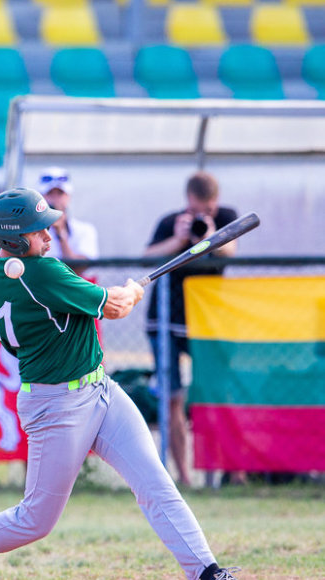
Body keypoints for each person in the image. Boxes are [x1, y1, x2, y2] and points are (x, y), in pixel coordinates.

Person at [0, 188, 238, 580]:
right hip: (56, 404)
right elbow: (115, 307)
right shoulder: (41, 272)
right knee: (35, 519)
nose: (49, 236)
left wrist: (121, 294)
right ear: (14, 240)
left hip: (101, 390)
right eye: (38, 231)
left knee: (156, 484)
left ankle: (207, 571)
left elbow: (90, 296)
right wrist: (133, 291)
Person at [144, 171, 238, 488]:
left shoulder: (225, 218)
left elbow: (230, 251)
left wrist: (209, 237)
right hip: (167, 321)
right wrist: (180, 240)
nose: (203, 215)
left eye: (209, 210)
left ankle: (225, 471)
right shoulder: (171, 221)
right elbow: (147, 256)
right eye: (199, 209)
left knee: (215, 394)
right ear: (188, 201)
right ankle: (182, 477)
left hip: (207, 324)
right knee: (172, 397)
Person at [36, 166, 99, 269]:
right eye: (50, 193)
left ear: (68, 197)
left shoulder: (85, 230)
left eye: (60, 193)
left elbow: (79, 270)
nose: (55, 199)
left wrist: (61, 234)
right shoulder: (31, 231)